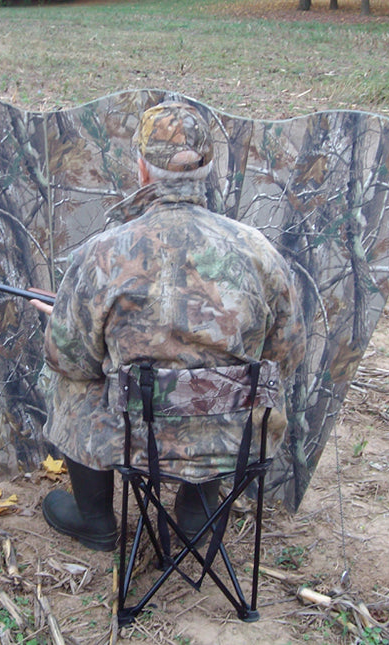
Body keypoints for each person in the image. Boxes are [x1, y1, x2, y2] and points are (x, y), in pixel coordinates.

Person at [30, 101, 306, 551]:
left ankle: (94, 517)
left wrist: (68, 321)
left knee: (72, 385)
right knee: (230, 385)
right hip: (231, 436)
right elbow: (287, 356)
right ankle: (197, 515)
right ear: (207, 170)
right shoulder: (257, 250)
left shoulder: (104, 253)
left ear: (142, 169)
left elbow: (69, 360)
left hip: (134, 437)